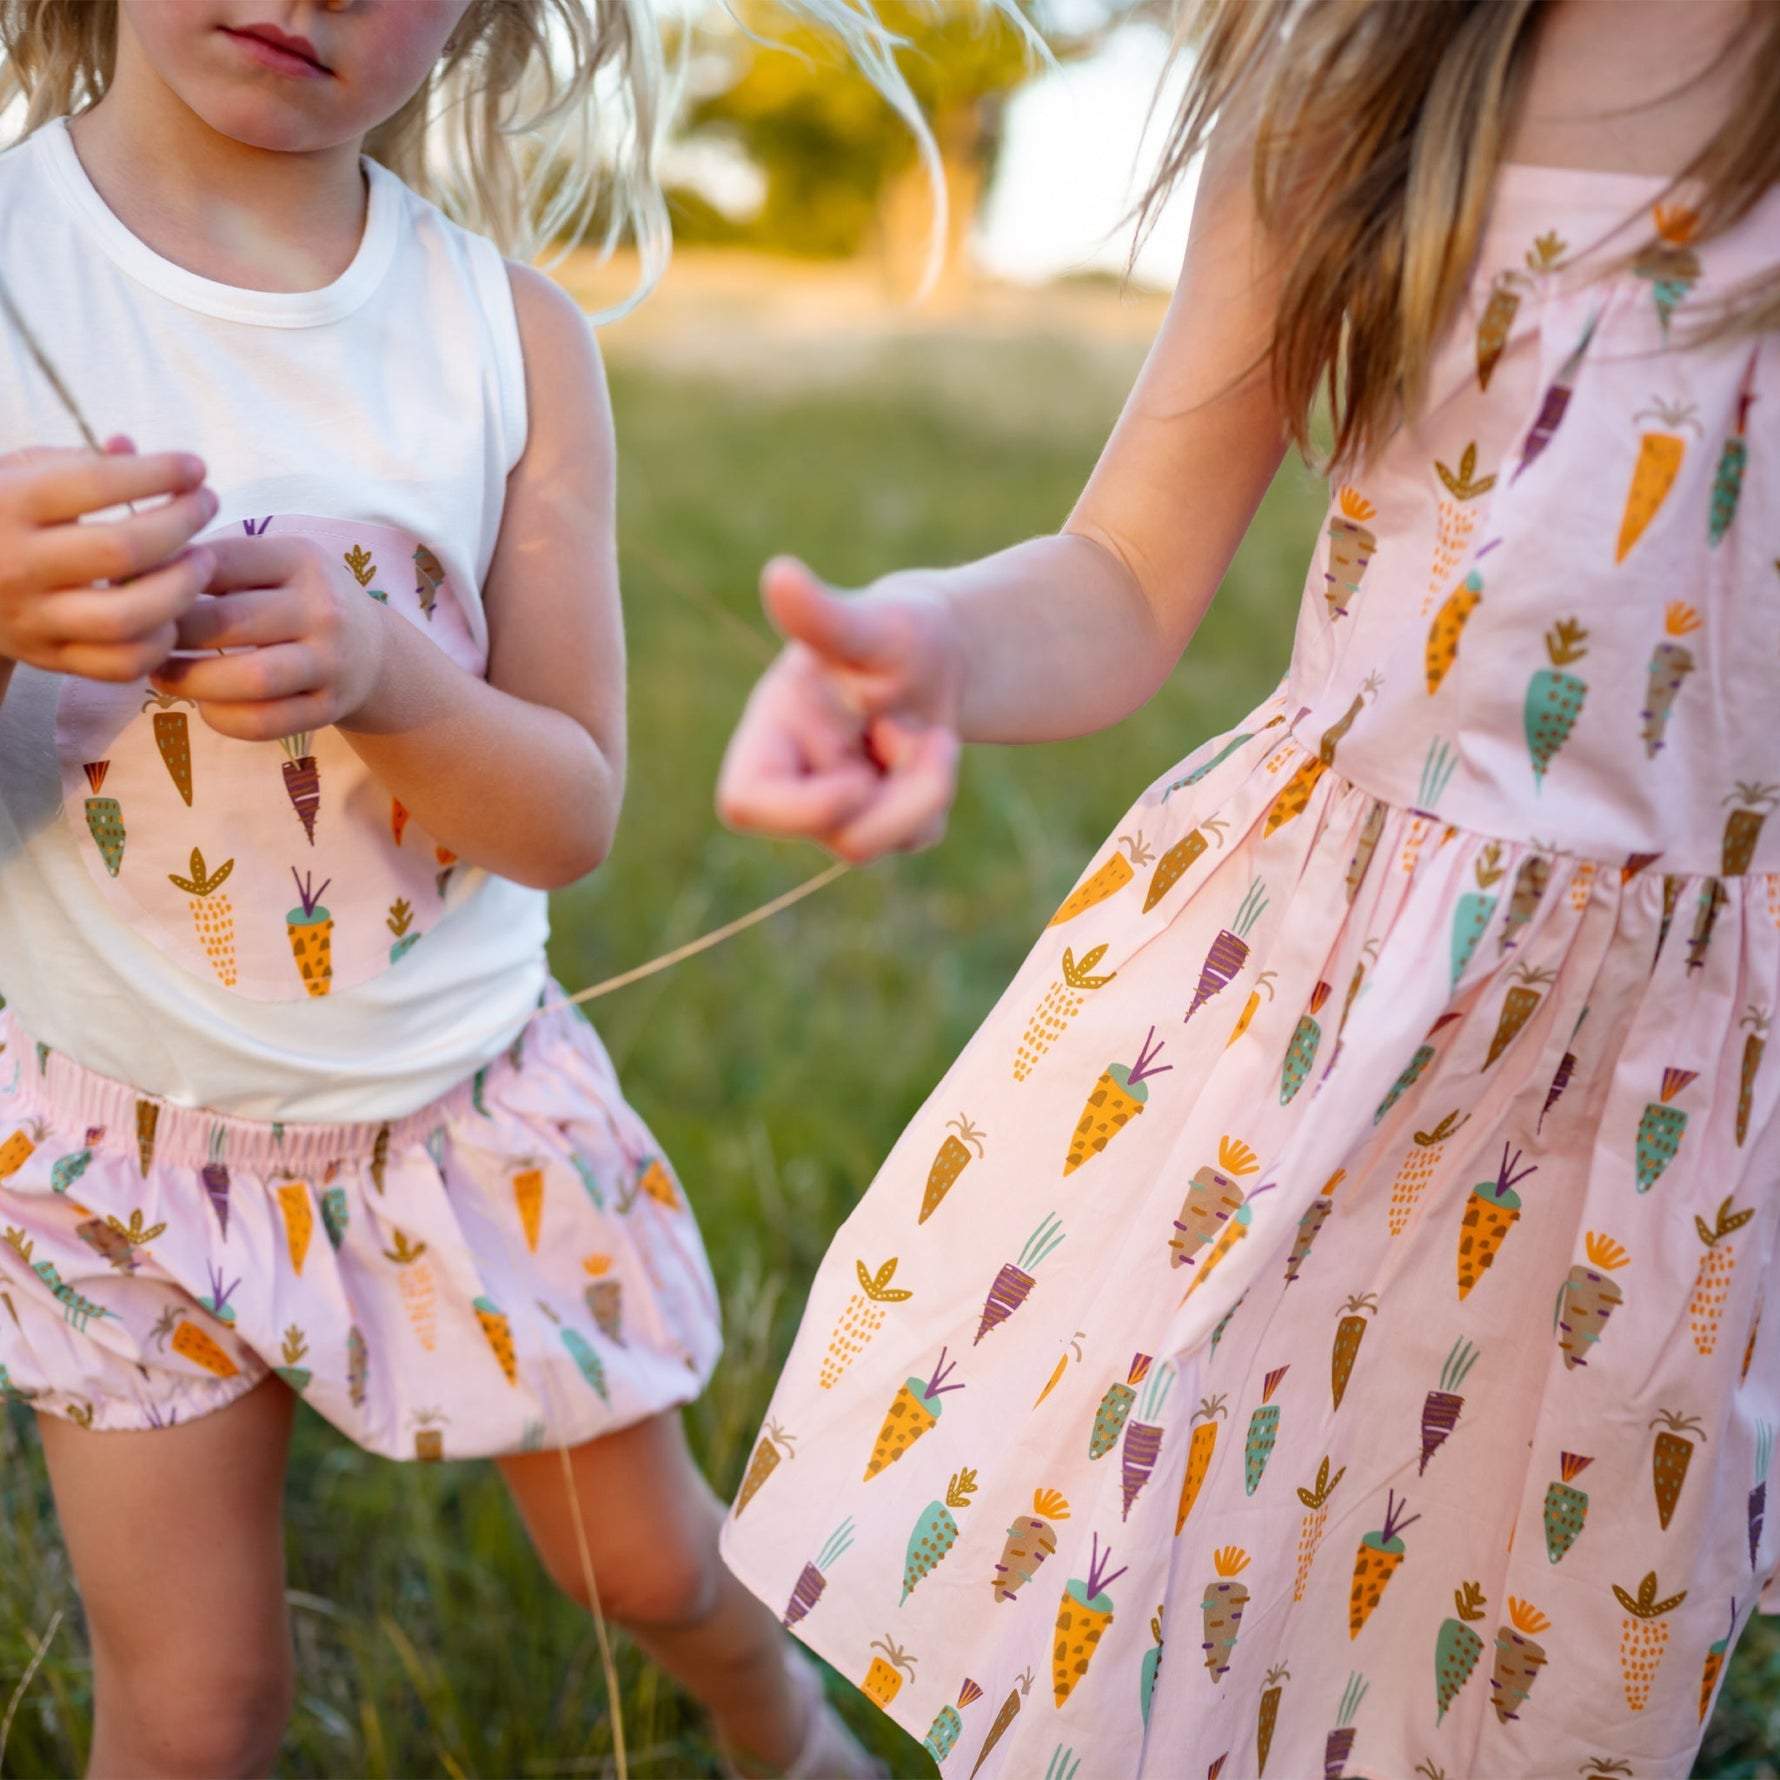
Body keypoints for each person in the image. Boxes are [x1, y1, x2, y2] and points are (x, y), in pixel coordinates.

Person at [715, 1, 1780, 1773]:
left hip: (1669, 1101)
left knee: (1523, 1673)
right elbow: (1128, 569)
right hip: (1316, 1022)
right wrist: (929, 645)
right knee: (1192, 1610)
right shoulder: (1365, 56)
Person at [0, 3, 914, 1774]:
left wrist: (392, 681)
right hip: (113, 1150)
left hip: (451, 1125)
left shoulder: (504, 341)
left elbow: (566, 813)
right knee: (193, 1709)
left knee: (645, 1567)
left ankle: (778, 1724)